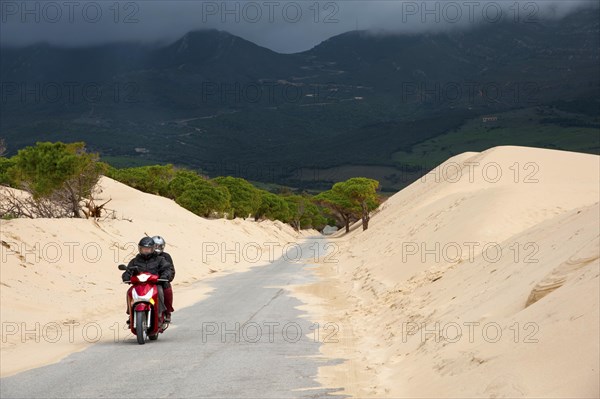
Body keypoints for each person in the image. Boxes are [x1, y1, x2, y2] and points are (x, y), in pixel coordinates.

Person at [122, 237, 173, 324]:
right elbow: (128, 270)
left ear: (152, 249)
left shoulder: (160, 259)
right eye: (143, 249)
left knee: (160, 292)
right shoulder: (135, 260)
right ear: (139, 249)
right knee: (129, 292)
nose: (146, 251)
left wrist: (164, 276)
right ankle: (130, 313)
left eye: (148, 249)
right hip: (139, 284)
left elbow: (167, 269)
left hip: (154, 284)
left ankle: (160, 313)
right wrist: (126, 276)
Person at [152, 235, 175, 323]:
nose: (157, 248)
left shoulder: (166, 256)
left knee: (167, 290)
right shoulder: (144, 255)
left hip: (161, 281)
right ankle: (131, 313)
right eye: (155, 246)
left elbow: (171, 270)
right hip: (147, 281)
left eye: (159, 246)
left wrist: (166, 277)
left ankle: (167, 312)